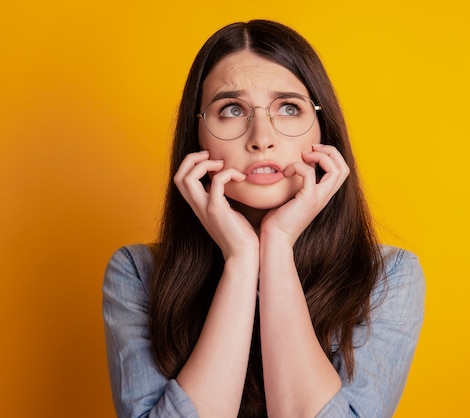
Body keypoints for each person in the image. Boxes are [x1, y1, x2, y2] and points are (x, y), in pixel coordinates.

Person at [103, 19, 425, 418]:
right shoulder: (136, 272)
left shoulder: (388, 276)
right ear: (197, 137)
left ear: (322, 133)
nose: (261, 137)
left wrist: (277, 245)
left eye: (288, 108)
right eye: (232, 109)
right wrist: (240, 259)